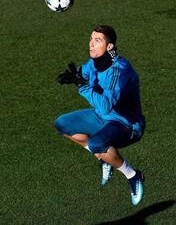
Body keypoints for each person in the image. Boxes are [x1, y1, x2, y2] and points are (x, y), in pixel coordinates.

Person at [54, 25, 146, 206]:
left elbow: (105, 105)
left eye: (97, 40)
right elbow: (86, 71)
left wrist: (82, 86)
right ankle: (105, 157)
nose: (91, 44)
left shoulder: (119, 70)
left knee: (97, 143)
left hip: (127, 125)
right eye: (91, 39)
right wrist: (74, 76)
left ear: (110, 46)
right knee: (62, 124)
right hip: (103, 118)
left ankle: (133, 176)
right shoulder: (97, 62)